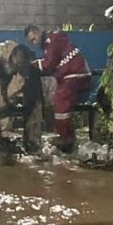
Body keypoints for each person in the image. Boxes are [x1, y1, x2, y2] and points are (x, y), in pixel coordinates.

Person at [24, 24, 92, 153]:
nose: (35, 43)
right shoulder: (51, 40)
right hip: (73, 73)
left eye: (34, 39)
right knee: (59, 101)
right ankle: (67, 138)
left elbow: (49, 64)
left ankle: (66, 139)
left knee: (61, 104)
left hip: (74, 73)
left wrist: (32, 65)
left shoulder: (52, 40)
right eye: (31, 42)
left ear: (38, 31)